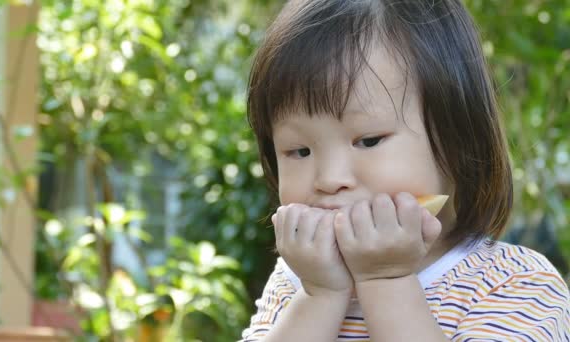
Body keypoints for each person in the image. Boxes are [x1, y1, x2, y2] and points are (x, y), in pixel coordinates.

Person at [240, 0, 570, 341]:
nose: (329, 179)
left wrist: (387, 282)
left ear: (460, 140)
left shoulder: (514, 283)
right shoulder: (294, 282)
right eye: (300, 151)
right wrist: (318, 297)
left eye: (368, 141)